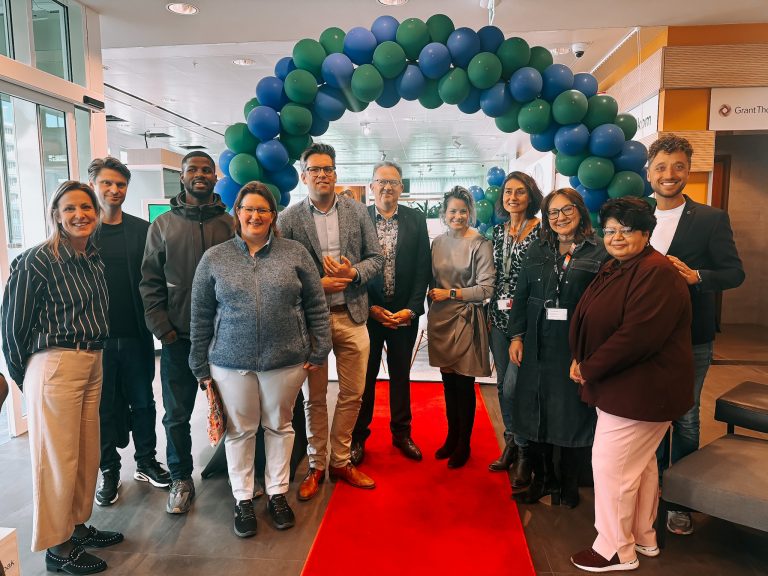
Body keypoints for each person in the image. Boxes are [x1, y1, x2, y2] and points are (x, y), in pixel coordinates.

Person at [189, 181, 332, 537]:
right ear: (237, 213)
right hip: (229, 362)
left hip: (286, 360)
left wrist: (320, 348)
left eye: (262, 210)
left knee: (280, 427)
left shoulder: (295, 253)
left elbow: (316, 304)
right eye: (247, 209)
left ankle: (277, 493)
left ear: (273, 215)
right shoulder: (215, 258)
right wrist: (199, 363)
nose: (255, 215)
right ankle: (242, 499)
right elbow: (200, 314)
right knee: (240, 432)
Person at [1, 181, 123, 574]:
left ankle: (78, 525)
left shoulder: (93, 258)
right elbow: (12, 327)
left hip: (92, 360)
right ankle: (57, 547)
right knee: (55, 459)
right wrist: (27, 377)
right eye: (70, 208)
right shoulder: (36, 260)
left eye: (86, 207)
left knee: (86, 453)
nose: (80, 215)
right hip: (55, 364)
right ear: (56, 214)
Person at [569, 197, 693, 573]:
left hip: (640, 391)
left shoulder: (656, 272)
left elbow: (636, 337)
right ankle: (643, 535)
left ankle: (614, 550)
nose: (616, 237)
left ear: (646, 232)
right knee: (639, 468)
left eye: (626, 230)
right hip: (627, 386)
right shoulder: (623, 265)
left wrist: (589, 367)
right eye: (610, 230)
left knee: (612, 468)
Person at [646, 134, 745, 536]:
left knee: (685, 419)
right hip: (644, 339)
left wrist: (698, 277)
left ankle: (680, 500)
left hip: (692, 336)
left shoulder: (711, 218)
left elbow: (735, 272)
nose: (669, 175)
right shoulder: (637, 217)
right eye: (661, 168)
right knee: (648, 417)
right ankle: (651, 489)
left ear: (689, 170)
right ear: (648, 172)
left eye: (678, 167)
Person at [278, 143, 384, 500]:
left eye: (328, 168)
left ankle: (341, 460)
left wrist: (353, 273)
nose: (322, 175)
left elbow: (377, 259)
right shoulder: (289, 219)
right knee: (315, 398)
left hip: (353, 316)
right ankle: (316, 464)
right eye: (315, 169)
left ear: (335, 174)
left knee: (354, 394)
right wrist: (315, 284)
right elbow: (281, 272)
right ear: (304, 175)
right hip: (312, 322)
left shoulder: (357, 212)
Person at [140, 151, 234, 514]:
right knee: (176, 414)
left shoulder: (230, 224)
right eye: (192, 169)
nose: (200, 175)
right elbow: (149, 283)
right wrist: (162, 329)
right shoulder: (162, 226)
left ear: (215, 177)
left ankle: (236, 471)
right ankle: (180, 478)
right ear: (181, 177)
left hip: (225, 338)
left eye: (206, 170)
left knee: (236, 410)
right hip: (178, 338)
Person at [508, 188, 608, 508]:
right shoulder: (537, 249)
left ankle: (568, 486)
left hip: (574, 344)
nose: (560, 217)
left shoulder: (599, 252)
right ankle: (542, 479)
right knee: (535, 411)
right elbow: (520, 295)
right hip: (537, 343)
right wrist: (517, 335)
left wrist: (587, 352)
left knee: (570, 414)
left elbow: (604, 307)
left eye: (567, 210)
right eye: (552, 212)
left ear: (580, 211)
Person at [88, 157, 170, 508]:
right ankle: (108, 469)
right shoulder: (83, 231)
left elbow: (156, 278)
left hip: (136, 332)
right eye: (107, 183)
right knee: (104, 407)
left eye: (120, 184)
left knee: (144, 402)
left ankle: (147, 461)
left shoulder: (142, 230)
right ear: (93, 185)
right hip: (96, 338)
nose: (114, 190)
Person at [350, 161, 431, 466]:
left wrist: (411, 309)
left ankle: (401, 433)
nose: (387, 187)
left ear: (401, 188)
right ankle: (358, 437)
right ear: (371, 187)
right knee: (365, 378)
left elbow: (423, 267)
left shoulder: (415, 219)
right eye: (381, 182)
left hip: (403, 316)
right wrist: (370, 307)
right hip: (368, 314)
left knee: (401, 376)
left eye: (393, 182)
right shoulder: (359, 219)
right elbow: (354, 266)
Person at [427, 186, 495, 468]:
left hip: (466, 318)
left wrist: (451, 294)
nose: (458, 216)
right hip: (440, 319)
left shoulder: (480, 243)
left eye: (463, 211)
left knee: (464, 385)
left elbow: (486, 288)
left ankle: (464, 444)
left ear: (471, 213)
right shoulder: (437, 243)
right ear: (444, 214)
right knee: (448, 384)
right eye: (453, 211)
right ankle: (451, 437)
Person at [487, 171, 542, 488]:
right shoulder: (497, 232)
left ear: (530, 196)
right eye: (508, 192)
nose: (513, 197)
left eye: (520, 192)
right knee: (500, 384)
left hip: (527, 321)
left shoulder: (542, 230)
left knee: (514, 388)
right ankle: (510, 442)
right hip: (498, 319)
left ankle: (523, 453)